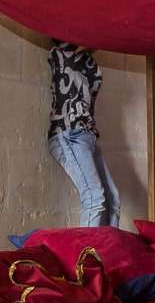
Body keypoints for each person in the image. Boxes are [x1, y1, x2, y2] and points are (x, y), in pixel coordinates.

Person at [46, 41, 120, 228]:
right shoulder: (60, 54)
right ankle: (87, 257)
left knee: (113, 201)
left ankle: (108, 253)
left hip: (88, 135)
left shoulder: (90, 63)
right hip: (68, 134)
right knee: (94, 197)